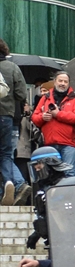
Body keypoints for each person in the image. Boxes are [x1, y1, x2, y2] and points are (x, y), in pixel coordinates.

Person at [30, 72, 75, 177]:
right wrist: (42, 118)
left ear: (68, 83)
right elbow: (34, 118)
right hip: (49, 145)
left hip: (68, 145)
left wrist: (58, 114)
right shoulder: (45, 98)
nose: (62, 83)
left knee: (69, 174)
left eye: (65, 81)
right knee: (49, 176)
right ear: (55, 82)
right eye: (60, 81)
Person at [23, 146, 72, 250]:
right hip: (56, 242)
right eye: (34, 166)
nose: (36, 168)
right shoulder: (43, 190)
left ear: (50, 164)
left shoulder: (69, 186)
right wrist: (38, 233)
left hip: (72, 240)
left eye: (38, 165)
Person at [0, 38, 29, 205]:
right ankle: (11, 183)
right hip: (6, 117)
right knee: (5, 154)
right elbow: (20, 94)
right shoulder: (12, 68)